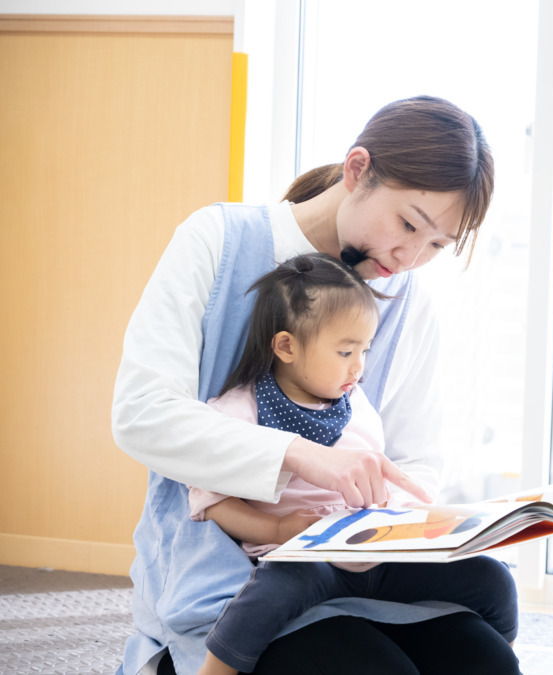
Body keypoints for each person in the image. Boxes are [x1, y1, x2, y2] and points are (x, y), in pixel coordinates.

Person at [111, 96, 520, 674]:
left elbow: (415, 460)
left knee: (488, 662)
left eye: (435, 245)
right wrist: (304, 459)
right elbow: (141, 414)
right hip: (229, 582)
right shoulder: (219, 241)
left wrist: (379, 519)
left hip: (362, 570)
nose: (408, 256)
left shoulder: (406, 301)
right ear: (357, 171)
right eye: (407, 223)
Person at [187, 253, 517, 675]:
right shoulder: (238, 410)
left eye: (364, 349)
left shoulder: (355, 404)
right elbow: (210, 500)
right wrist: (277, 529)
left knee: (491, 576)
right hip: (304, 559)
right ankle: (214, 669)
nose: (359, 366)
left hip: (375, 554)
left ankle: (507, 649)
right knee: (275, 589)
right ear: (286, 345)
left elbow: (381, 476)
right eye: (345, 351)